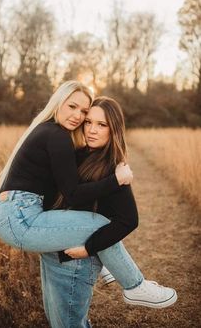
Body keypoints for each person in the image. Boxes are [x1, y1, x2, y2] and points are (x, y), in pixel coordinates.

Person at [0, 82, 176, 327]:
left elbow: (125, 217)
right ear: (58, 102)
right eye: (73, 107)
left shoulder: (56, 136)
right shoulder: (57, 135)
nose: (79, 118)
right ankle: (134, 285)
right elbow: (74, 195)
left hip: (14, 214)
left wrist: (93, 248)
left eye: (84, 113)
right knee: (97, 224)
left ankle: (120, 274)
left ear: (113, 129)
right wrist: (116, 180)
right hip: (20, 217)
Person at [40, 96, 178, 327]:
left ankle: (133, 284)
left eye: (102, 125)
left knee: (68, 324)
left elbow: (129, 220)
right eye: (89, 122)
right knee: (58, 320)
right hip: (52, 254)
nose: (92, 130)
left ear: (113, 130)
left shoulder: (111, 166)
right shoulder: (77, 153)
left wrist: (88, 249)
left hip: (75, 260)